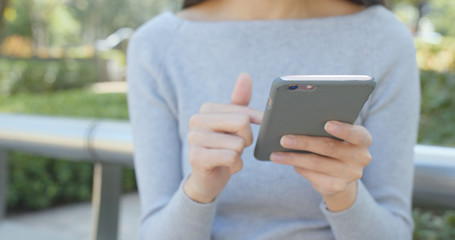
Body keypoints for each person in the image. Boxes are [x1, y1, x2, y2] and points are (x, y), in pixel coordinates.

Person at [127, 0, 420, 239]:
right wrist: (199, 190)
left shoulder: (386, 39)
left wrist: (344, 194)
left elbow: (394, 232)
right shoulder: (156, 45)